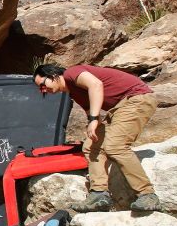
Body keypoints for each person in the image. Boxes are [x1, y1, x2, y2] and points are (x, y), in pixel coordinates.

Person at [33, 63, 160, 213]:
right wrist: (92, 123)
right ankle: (99, 195)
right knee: (91, 146)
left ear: (53, 75)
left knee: (115, 146)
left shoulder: (71, 73)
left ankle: (148, 195)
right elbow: (90, 111)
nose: (43, 90)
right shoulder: (73, 92)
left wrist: (94, 120)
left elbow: (96, 85)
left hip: (137, 98)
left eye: (42, 84)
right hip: (119, 108)